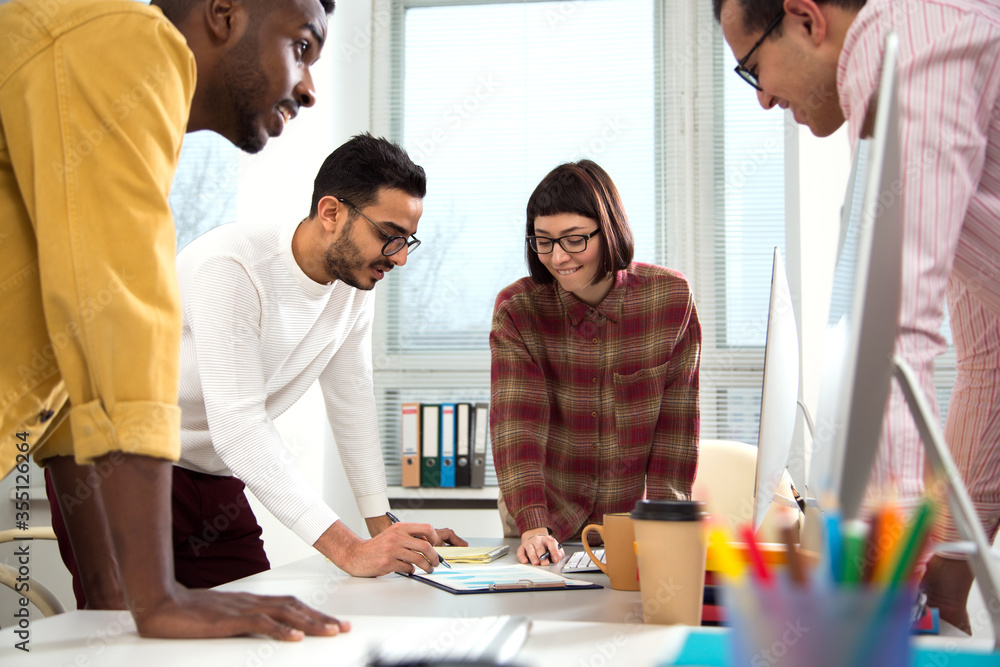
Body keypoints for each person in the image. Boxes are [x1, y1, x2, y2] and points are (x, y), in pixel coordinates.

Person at [1, 0, 348, 640]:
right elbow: (121, 316)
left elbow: (77, 351)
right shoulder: (127, 41)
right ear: (224, 13)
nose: (308, 88)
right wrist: (159, 597)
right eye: (301, 46)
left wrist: (114, 597)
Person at [46, 134, 467, 602]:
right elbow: (239, 425)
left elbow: (352, 402)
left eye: (407, 240)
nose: (400, 257)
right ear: (331, 213)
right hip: (119, 466)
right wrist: (349, 550)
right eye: (389, 235)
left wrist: (382, 527)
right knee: (123, 630)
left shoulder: (352, 288)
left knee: (258, 623)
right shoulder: (232, 265)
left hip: (212, 475)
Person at [713, 0, 1000, 633]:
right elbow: (990, 361)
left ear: (806, 18)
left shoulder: (908, 37)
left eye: (752, 67)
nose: (762, 99)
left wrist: (882, 570)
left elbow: (892, 327)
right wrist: (947, 563)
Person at [490, 160, 702, 566]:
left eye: (574, 240)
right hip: (538, 513)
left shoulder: (670, 298)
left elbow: (675, 427)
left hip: (624, 522)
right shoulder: (518, 309)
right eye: (543, 241)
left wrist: (667, 528)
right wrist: (533, 524)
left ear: (610, 230)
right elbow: (516, 425)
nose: (558, 257)